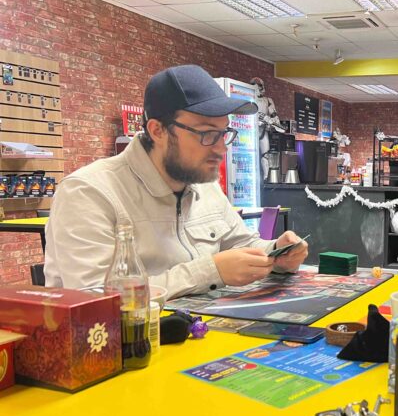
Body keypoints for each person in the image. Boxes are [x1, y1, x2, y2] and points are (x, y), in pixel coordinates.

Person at [45, 65, 308, 299]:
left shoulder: (203, 183)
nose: (221, 149)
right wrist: (210, 271)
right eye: (206, 134)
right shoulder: (88, 192)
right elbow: (94, 300)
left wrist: (276, 253)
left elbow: (241, 245)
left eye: (224, 133)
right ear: (157, 131)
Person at [250, 77, 282, 181]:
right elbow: (248, 113)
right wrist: (263, 118)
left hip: (263, 129)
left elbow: (273, 114)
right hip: (251, 129)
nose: (260, 89)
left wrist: (274, 122)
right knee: (250, 153)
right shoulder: (248, 98)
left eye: (260, 86)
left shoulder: (267, 100)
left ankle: (266, 177)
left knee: (265, 155)